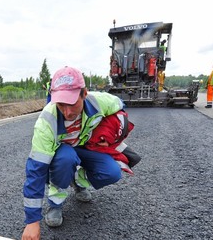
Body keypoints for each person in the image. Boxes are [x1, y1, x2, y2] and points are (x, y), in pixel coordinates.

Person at [21, 66, 140, 240]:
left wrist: (110, 131)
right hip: (62, 155)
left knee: (112, 172)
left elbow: (120, 106)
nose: (67, 112)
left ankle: (77, 182)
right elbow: (36, 171)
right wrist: (32, 222)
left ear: (84, 93)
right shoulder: (46, 122)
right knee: (65, 158)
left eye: (72, 103)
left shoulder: (99, 101)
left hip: (86, 148)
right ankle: (55, 204)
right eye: (61, 105)